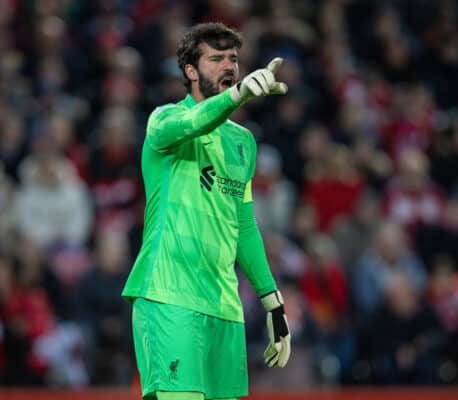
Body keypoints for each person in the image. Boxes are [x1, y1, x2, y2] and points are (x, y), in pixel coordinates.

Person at [122, 22, 291, 400]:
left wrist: (272, 302)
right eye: (216, 59)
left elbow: (243, 226)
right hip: (169, 295)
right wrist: (238, 96)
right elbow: (196, 120)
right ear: (191, 71)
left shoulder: (243, 142)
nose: (229, 66)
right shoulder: (164, 121)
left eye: (233, 58)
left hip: (225, 307)